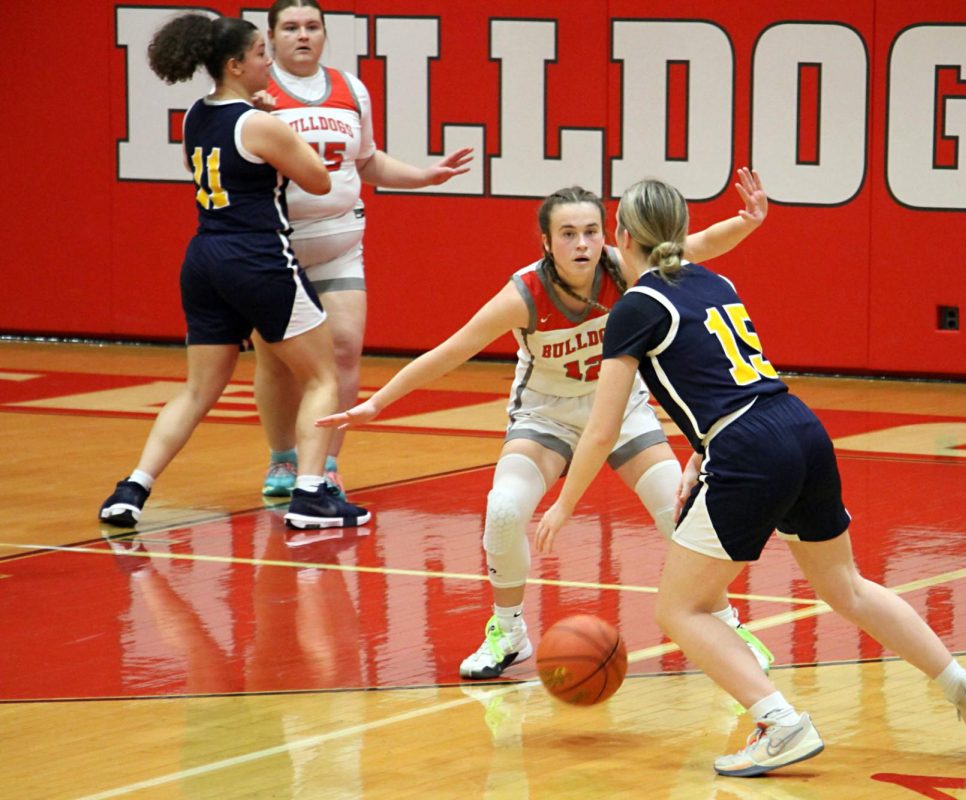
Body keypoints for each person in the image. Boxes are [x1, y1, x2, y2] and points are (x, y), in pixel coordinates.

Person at [534, 178, 966, 777]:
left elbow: (602, 432)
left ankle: (779, 723)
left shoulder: (635, 307)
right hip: (798, 427)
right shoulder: (716, 281)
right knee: (847, 587)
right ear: (679, 233)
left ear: (621, 238)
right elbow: (719, 378)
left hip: (750, 448)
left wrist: (563, 505)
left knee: (681, 609)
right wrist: (700, 452)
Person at [317, 170, 776, 679]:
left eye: (590, 232)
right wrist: (377, 402)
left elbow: (700, 243)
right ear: (546, 242)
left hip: (620, 413)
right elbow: (453, 349)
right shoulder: (526, 294)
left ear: (610, 235)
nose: (582, 244)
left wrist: (748, 221)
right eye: (568, 234)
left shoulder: (627, 268)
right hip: (546, 417)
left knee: (682, 516)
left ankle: (723, 623)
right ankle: (508, 631)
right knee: (505, 509)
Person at [99, 12, 370, 532]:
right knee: (322, 377)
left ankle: (132, 489)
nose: (270, 61)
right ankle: (312, 494)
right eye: (261, 54)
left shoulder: (196, 115)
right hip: (258, 255)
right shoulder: (261, 122)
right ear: (235, 64)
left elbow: (202, 164)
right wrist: (280, 127)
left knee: (198, 391)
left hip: (203, 257)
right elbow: (317, 179)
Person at [252, 0, 473, 502]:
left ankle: (326, 461)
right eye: (290, 28)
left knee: (346, 349)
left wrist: (424, 175)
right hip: (274, 248)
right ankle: (283, 457)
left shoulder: (351, 89)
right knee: (276, 362)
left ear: (325, 34)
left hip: (340, 247)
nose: (302, 36)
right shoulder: (255, 94)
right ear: (270, 37)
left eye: (312, 27)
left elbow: (368, 161)